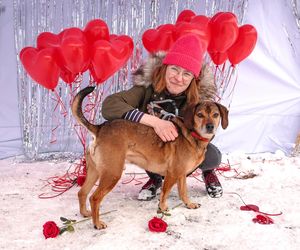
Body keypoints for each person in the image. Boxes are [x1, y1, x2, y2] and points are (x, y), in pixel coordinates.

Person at [102, 34, 223, 201]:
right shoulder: (146, 89)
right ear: (165, 68)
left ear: (193, 79)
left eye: (187, 74)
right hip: (154, 149)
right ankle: (155, 179)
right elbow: (110, 105)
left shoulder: (198, 101)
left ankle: (208, 173)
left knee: (212, 156)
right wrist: (155, 122)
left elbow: (209, 126)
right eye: (174, 69)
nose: (179, 78)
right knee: (146, 147)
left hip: (184, 151)